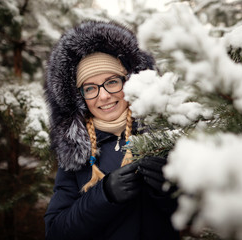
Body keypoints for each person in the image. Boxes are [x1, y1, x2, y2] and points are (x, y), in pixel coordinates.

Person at [44, 20, 179, 240]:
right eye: (90, 88)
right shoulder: (76, 152)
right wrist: (103, 195)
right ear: (79, 96)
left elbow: (204, 215)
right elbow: (56, 231)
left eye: (112, 81)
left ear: (130, 80)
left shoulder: (165, 134)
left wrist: (171, 192)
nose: (103, 95)